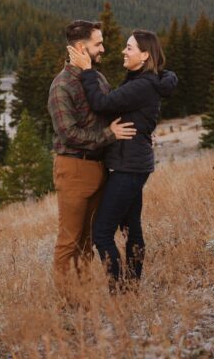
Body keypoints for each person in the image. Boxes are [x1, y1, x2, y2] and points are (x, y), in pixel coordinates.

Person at [67, 30, 177, 290]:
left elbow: (101, 103)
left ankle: (120, 290)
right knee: (130, 228)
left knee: (102, 232)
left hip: (129, 167)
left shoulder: (142, 85)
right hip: (134, 163)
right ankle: (131, 287)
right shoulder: (144, 79)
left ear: (145, 55)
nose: (123, 52)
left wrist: (87, 70)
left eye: (129, 48)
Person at [48, 20, 136, 299]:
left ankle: (82, 298)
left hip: (99, 168)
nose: (103, 48)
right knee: (69, 241)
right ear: (80, 47)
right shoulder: (61, 86)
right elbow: (69, 133)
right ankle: (68, 305)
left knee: (88, 240)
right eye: (98, 43)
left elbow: (110, 108)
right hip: (74, 167)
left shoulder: (95, 78)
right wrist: (109, 136)